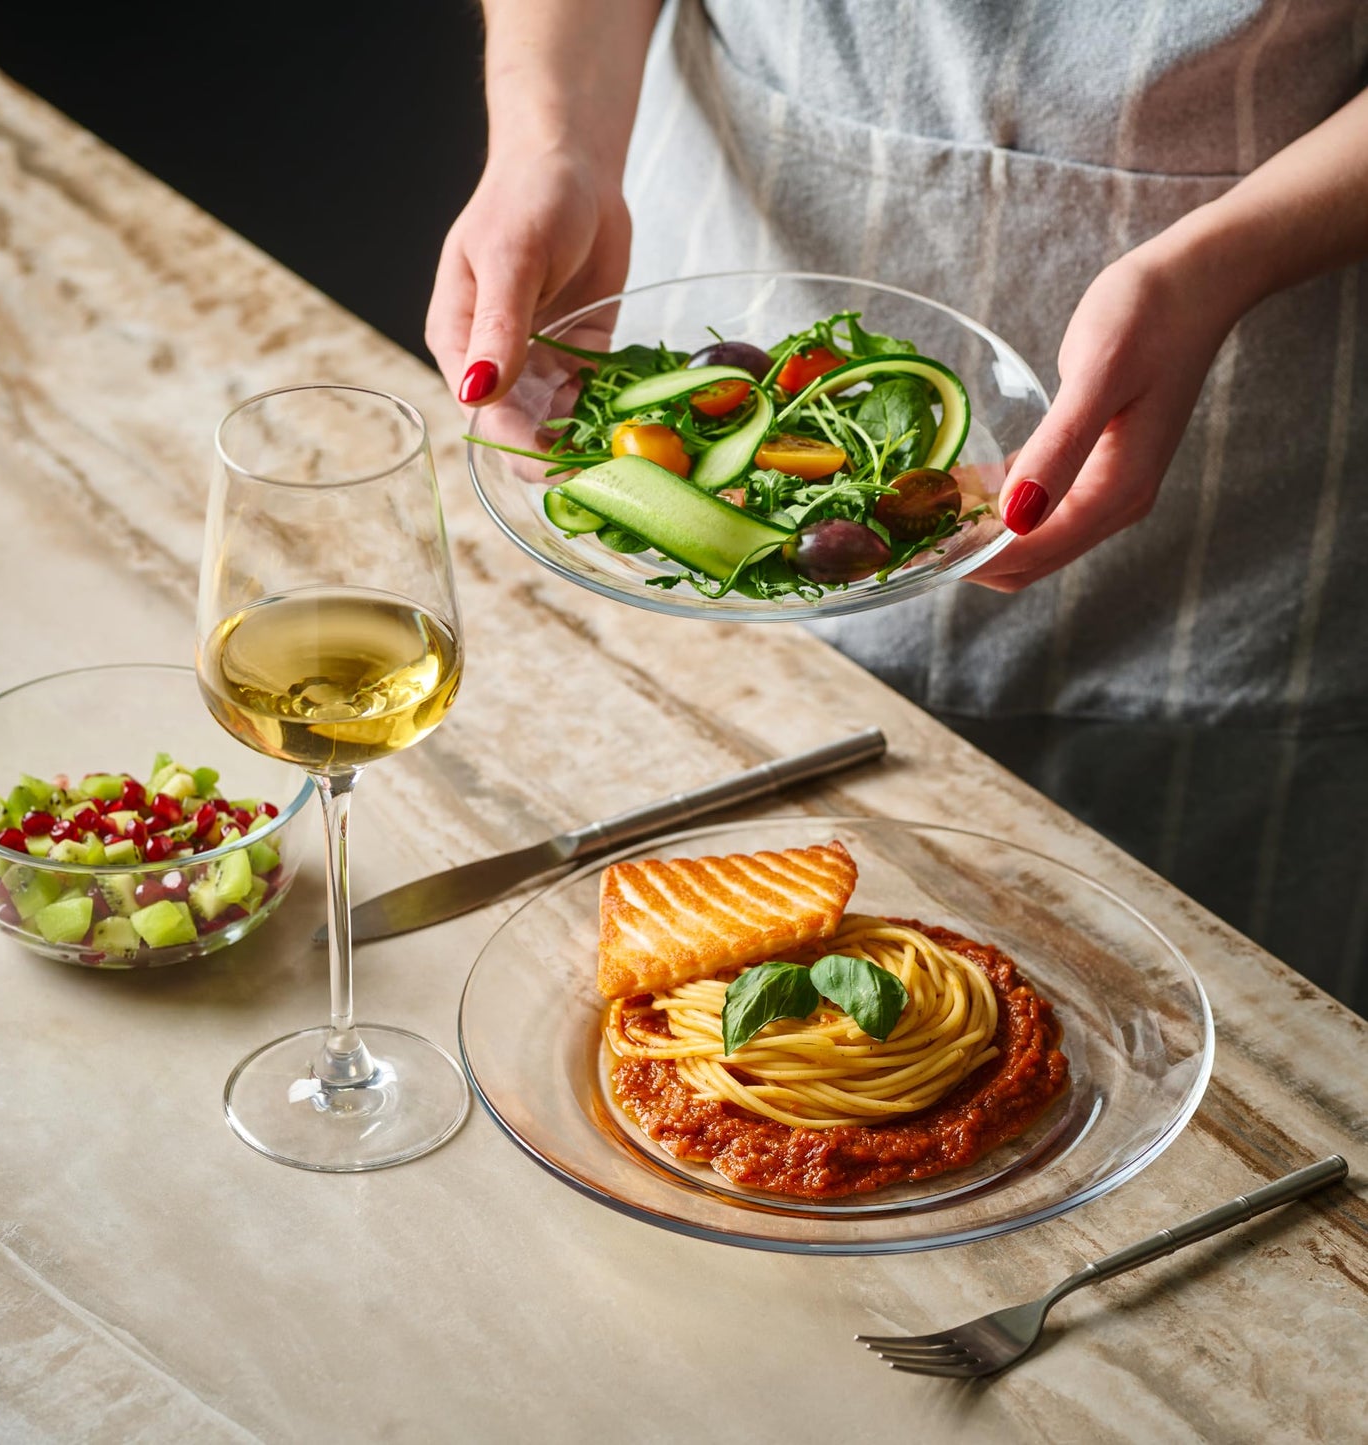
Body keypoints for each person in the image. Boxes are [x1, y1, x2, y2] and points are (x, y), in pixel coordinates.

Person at [426, 2, 1368, 1007]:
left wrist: (1220, 263)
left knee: (1216, 1034)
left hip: (1231, 500)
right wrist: (548, 141)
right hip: (704, 354)